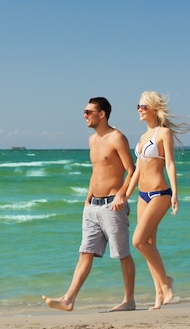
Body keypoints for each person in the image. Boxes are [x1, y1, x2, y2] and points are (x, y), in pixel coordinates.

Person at [42, 97, 136, 312]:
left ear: (101, 114)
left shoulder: (117, 137)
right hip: (92, 206)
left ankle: (129, 300)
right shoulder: (92, 141)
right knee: (85, 252)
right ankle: (68, 299)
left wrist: (122, 195)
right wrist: (87, 199)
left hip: (113, 205)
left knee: (122, 254)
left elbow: (131, 170)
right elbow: (97, 172)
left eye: (88, 112)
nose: (84, 115)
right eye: (84, 111)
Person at [124, 91, 190, 310]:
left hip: (160, 194)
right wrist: (125, 194)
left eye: (143, 107)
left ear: (153, 108)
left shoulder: (164, 133)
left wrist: (175, 194)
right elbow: (137, 170)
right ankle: (159, 295)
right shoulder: (143, 137)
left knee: (138, 241)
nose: (139, 110)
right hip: (142, 196)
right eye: (138, 106)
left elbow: (170, 163)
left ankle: (166, 282)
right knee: (149, 244)